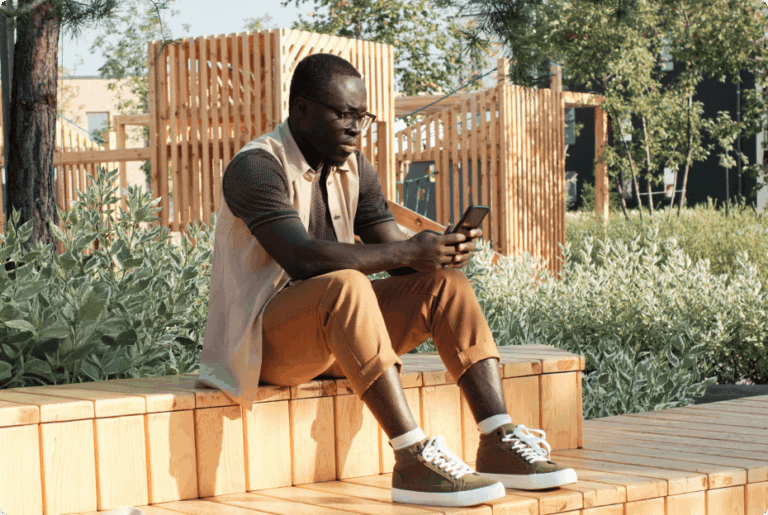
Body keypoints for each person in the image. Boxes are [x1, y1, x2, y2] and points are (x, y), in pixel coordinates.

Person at [196, 52, 577, 507]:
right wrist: (409, 250)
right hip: (262, 347)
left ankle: (497, 440)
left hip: (338, 336)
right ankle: (412, 458)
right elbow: (301, 259)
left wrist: (438, 254)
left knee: (447, 287)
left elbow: (397, 259)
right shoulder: (256, 167)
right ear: (302, 109)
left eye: (362, 116)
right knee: (347, 285)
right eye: (344, 115)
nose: (356, 128)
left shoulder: (356, 168)